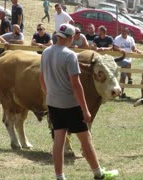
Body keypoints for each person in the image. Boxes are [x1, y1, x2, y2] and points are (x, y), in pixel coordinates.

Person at [39, 23, 118, 180]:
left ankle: (59, 176)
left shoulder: (46, 52)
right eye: (72, 38)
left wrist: (50, 95)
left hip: (53, 103)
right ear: (69, 38)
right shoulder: (70, 56)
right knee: (85, 139)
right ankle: (98, 173)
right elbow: (76, 85)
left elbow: (42, 78)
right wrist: (85, 109)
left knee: (59, 139)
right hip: (70, 105)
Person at [113, 27, 141, 99]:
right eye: (122, 31)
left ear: (127, 32)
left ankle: (121, 93)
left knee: (123, 75)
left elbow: (133, 48)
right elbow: (114, 47)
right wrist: (120, 49)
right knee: (127, 64)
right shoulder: (117, 38)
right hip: (119, 58)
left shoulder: (130, 39)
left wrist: (137, 50)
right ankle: (130, 78)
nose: (123, 32)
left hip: (128, 58)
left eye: (125, 31)